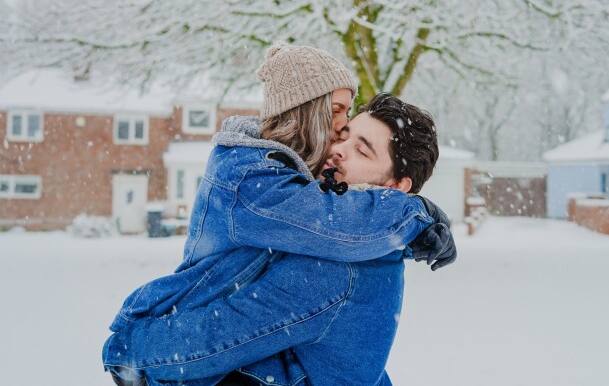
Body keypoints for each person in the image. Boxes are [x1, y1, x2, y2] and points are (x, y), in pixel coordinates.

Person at [103, 43, 455, 385]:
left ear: (396, 188)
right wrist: (418, 215)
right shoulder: (268, 187)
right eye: (342, 128)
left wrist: (132, 351)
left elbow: (224, 333)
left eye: (362, 151)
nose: (338, 147)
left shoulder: (338, 264)